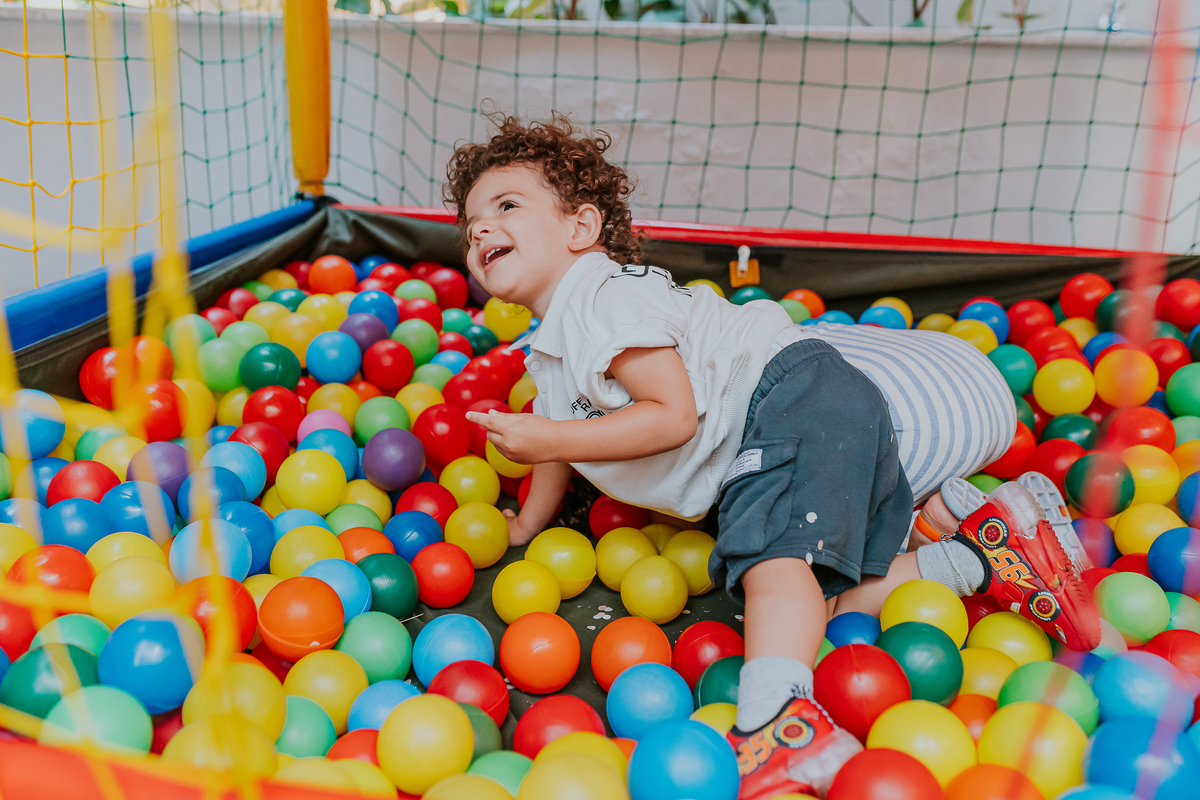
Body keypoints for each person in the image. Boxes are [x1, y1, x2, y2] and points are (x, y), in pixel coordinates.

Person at [447, 113, 1100, 800]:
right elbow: (557, 436)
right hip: (789, 420)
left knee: (774, 567)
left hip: (785, 396)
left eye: (506, 207)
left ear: (579, 229)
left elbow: (672, 415)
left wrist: (548, 439)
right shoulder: (555, 343)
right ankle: (984, 551)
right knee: (814, 590)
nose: (481, 229)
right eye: (471, 225)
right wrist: (525, 525)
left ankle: (779, 721)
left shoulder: (600, 297)